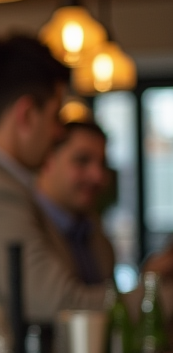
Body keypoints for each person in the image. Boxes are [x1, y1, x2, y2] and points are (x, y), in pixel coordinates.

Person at [0, 35, 122, 322]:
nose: (58, 133)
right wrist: (156, 296)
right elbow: (61, 304)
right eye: (56, 116)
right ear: (27, 114)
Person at [35, 121, 116, 286]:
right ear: (47, 160)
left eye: (102, 164)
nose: (98, 176)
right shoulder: (26, 223)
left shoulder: (91, 227)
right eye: (82, 160)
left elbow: (105, 298)